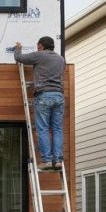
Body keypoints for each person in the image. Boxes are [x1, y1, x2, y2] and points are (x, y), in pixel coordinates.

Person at [14, 36, 66, 171]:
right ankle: (58, 160)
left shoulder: (39, 55)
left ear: (41, 46)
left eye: (38, 46)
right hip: (59, 95)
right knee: (57, 129)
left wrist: (18, 48)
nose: (37, 48)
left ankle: (47, 161)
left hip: (44, 95)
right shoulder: (61, 59)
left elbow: (19, 58)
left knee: (43, 128)